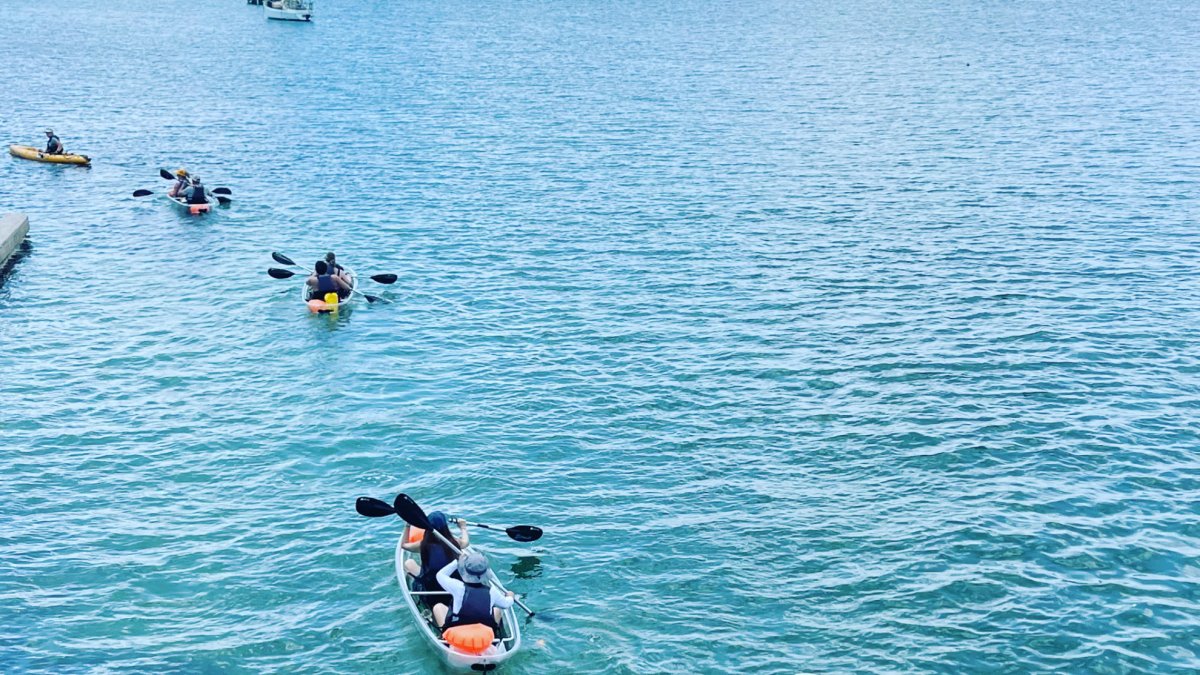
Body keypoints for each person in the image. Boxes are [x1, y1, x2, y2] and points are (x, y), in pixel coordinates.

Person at [433, 551, 515, 631]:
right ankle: (494, 634)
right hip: (483, 634)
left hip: (458, 631)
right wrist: (510, 596)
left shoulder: (458, 587)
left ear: (465, 570)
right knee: (497, 610)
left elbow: (440, 575)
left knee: (438, 607)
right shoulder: (492, 591)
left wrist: (457, 561)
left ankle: (444, 635)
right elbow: (506, 604)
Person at [402, 512, 469, 606]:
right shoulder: (455, 543)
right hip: (454, 587)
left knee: (409, 563)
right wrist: (463, 527)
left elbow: (404, 545)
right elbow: (466, 542)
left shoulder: (423, 545)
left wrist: (408, 525)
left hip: (432, 590)